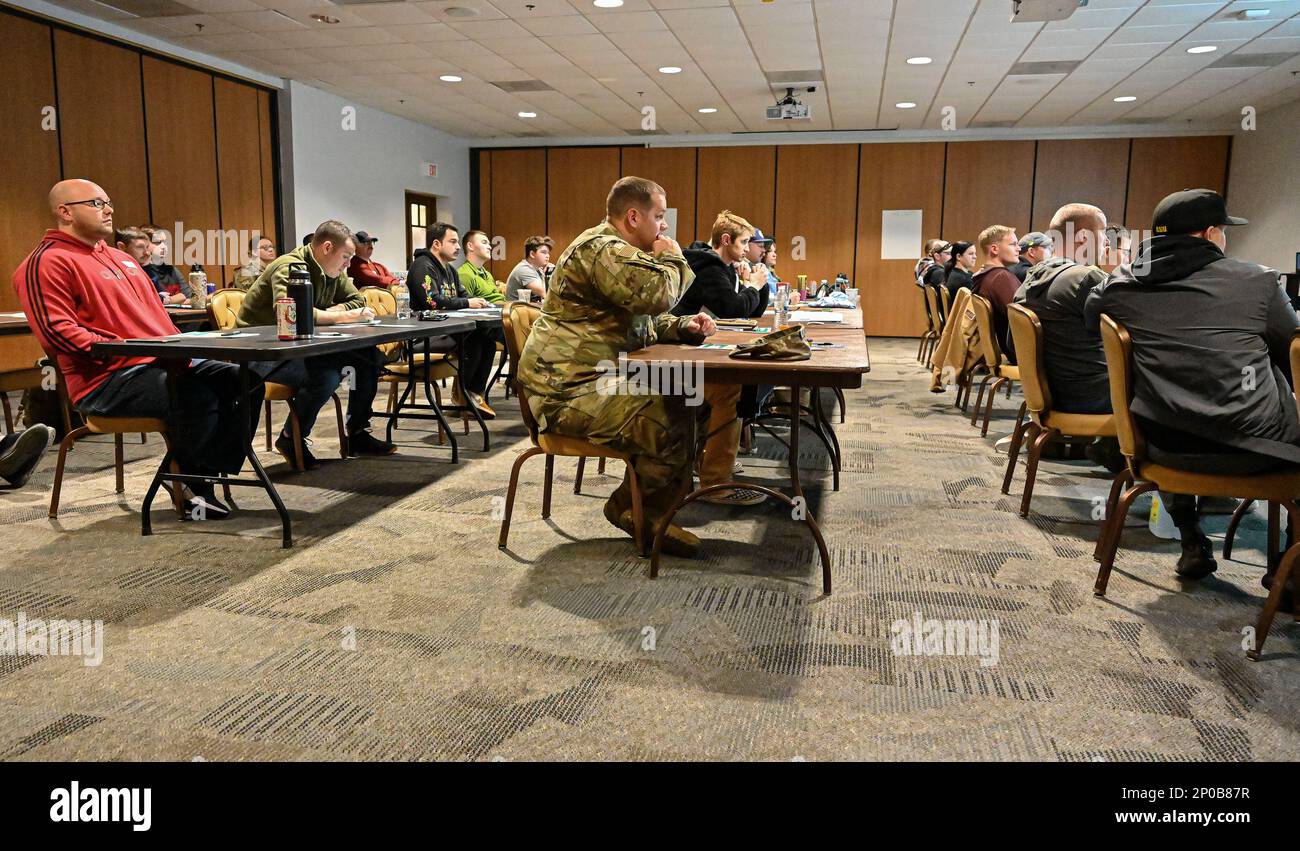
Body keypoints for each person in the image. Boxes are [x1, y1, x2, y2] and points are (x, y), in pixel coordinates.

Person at [1085, 188, 1299, 596]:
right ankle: (1290, 574)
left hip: (1158, 446)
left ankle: (1191, 539)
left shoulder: (1119, 286)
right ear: (1209, 234)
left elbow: (1089, 323)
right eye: (1222, 230)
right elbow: (1294, 355)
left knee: (1168, 402)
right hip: (1253, 450)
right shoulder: (1259, 280)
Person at [14, 179, 260, 517]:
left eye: (108, 201)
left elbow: (158, 320)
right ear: (65, 211)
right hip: (107, 379)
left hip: (161, 362)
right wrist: (126, 348)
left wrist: (184, 343)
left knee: (245, 379)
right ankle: (191, 485)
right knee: (196, 396)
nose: (109, 209)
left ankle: (197, 468)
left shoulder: (121, 259)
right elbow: (58, 332)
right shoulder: (46, 262)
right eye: (97, 203)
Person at [516, 176, 717, 557]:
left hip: (598, 378)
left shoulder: (620, 254)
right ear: (632, 216)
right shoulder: (603, 249)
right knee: (667, 412)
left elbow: (640, 323)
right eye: (659, 217)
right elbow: (659, 293)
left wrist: (683, 326)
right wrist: (672, 254)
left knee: (692, 399)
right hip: (565, 389)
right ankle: (642, 514)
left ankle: (637, 506)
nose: (664, 227)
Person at [237, 220, 395, 469]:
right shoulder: (289, 266)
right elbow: (294, 313)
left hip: (304, 346)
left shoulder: (333, 271)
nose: (347, 264)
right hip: (263, 352)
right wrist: (338, 315)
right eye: (345, 257)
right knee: (326, 376)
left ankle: (357, 433)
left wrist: (332, 311)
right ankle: (292, 438)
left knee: (369, 359)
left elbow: (357, 300)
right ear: (327, 247)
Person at [676, 211, 771, 507]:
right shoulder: (708, 268)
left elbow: (751, 311)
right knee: (730, 390)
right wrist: (753, 286)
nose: (747, 248)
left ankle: (706, 463)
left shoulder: (724, 267)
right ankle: (715, 482)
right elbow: (733, 309)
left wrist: (757, 284)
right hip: (669, 362)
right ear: (726, 240)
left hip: (687, 352)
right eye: (744, 242)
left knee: (736, 385)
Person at [406, 222, 499, 418]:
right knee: (473, 340)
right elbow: (431, 302)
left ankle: (473, 394)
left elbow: (463, 296)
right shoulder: (422, 266)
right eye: (453, 242)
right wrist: (467, 303)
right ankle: (463, 395)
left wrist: (476, 303)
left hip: (447, 331)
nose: (458, 247)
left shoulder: (450, 270)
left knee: (487, 340)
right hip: (425, 336)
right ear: (437, 244)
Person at [970, 225, 1021, 360]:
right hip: (1020, 351)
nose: (1019, 248)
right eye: (1013, 244)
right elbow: (1022, 318)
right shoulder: (1000, 278)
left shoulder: (983, 275)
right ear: (994, 249)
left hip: (1009, 347)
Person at [140, 225, 190, 302]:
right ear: (144, 244)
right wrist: (172, 300)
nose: (163, 246)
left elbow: (188, 297)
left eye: (165, 242)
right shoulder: (139, 270)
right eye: (158, 242)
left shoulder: (171, 269)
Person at [458, 230, 505, 304]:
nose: (489, 247)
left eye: (489, 244)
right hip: (491, 313)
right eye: (484, 242)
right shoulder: (464, 274)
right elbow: (466, 306)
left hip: (503, 308)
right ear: (470, 246)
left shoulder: (487, 274)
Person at [505, 235, 552, 302]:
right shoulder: (524, 269)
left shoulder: (539, 270)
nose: (547, 256)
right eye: (544, 252)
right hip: (517, 310)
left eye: (548, 253)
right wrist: (549, 274)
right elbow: (545, 294)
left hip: (528, 308)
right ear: (532, 254)